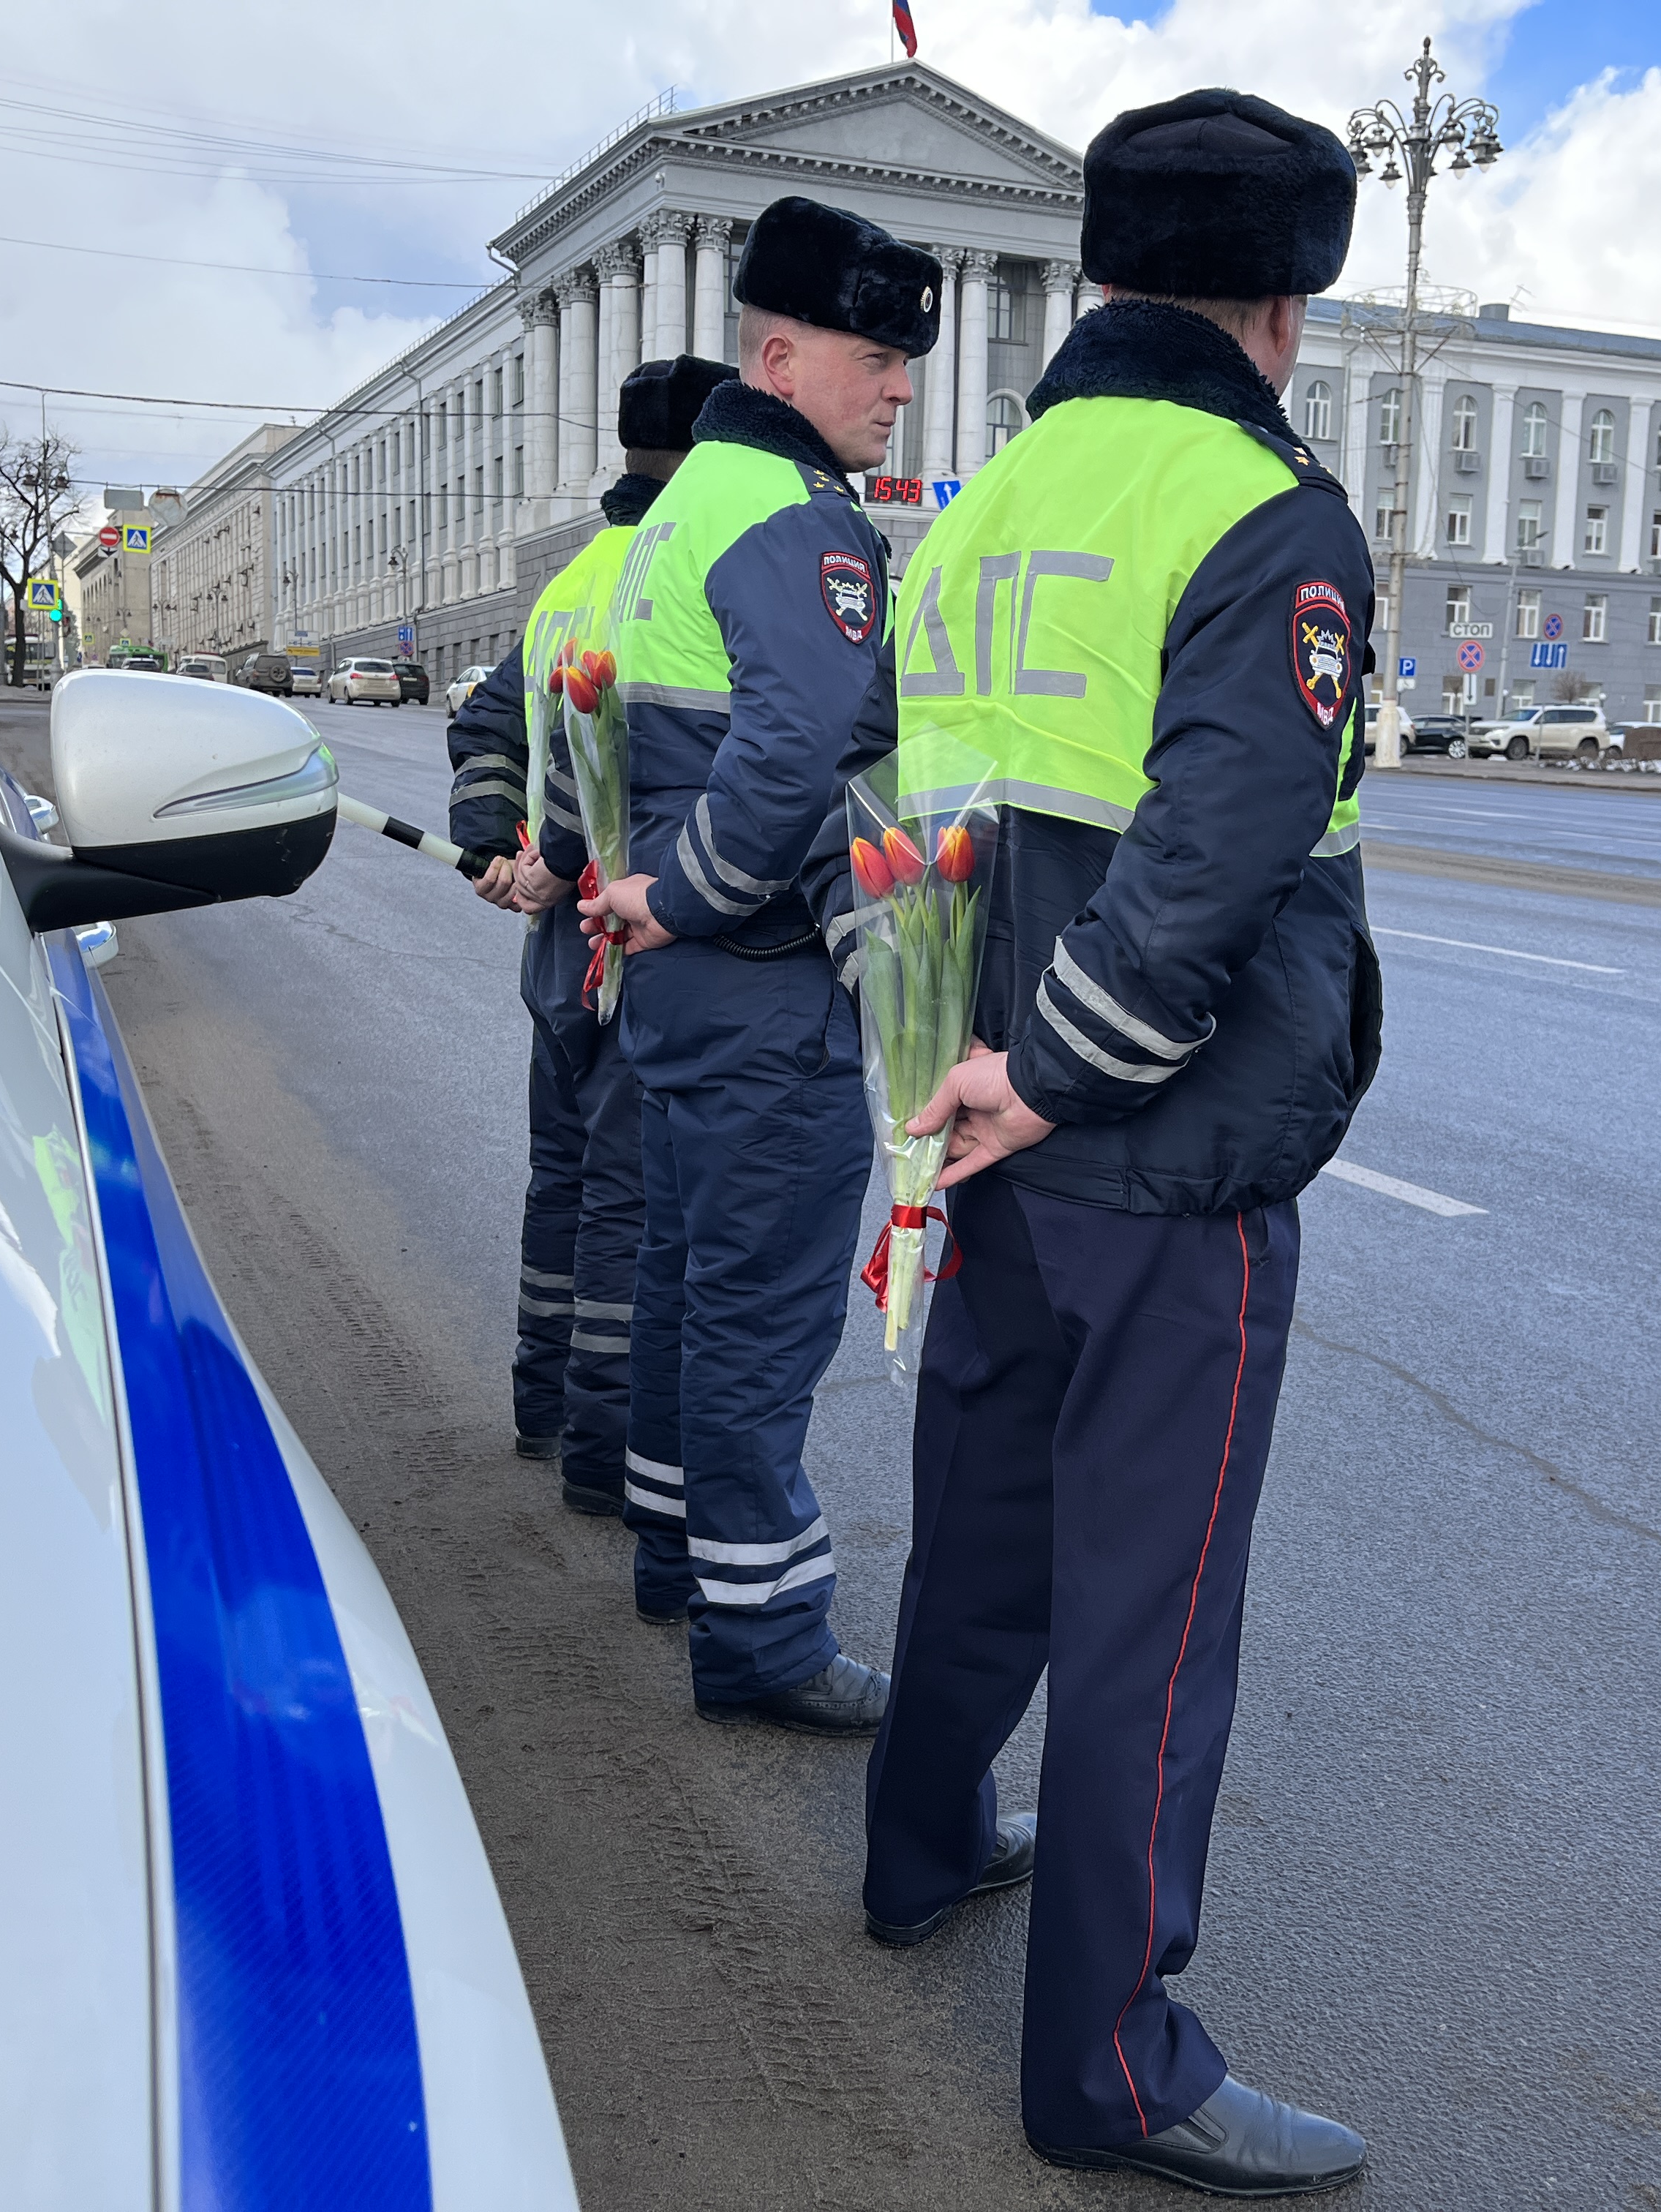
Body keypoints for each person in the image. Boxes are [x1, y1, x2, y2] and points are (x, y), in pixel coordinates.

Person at [833, 91, 1384, 2194]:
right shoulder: (1266, 507)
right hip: (1157, 1146)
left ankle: (915, 1853)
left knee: (978, 1521)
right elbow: (1223, 843)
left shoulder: (976, 507)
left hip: (976, 1125)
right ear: (1285, 302)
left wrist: (950, 1068)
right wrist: (1064, 1071)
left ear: (1097, 280)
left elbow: (885, 822)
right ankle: (1113, 2074)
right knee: (1150, 1613)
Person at [575, 197, 938, 1735]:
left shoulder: (691, 499)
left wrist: (661, 901)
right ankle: (768, 1635)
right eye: (876, 356)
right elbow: (797, 751)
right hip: (757, 975)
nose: (902, 387)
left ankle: (676, 1550)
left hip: (682, 989)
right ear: (780, 352)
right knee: (760, 1308)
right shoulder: (795, 514)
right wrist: (698, 896)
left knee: (683, 1271)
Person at [445, 355, 735, 1516]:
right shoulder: (670, 576)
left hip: (554, 942)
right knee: (628, 1197)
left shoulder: (573, 580)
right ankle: (601, 1449)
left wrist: (489, 845)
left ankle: (540, 1402)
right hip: (629, 932)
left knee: (560, 1179)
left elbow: (483, 720)